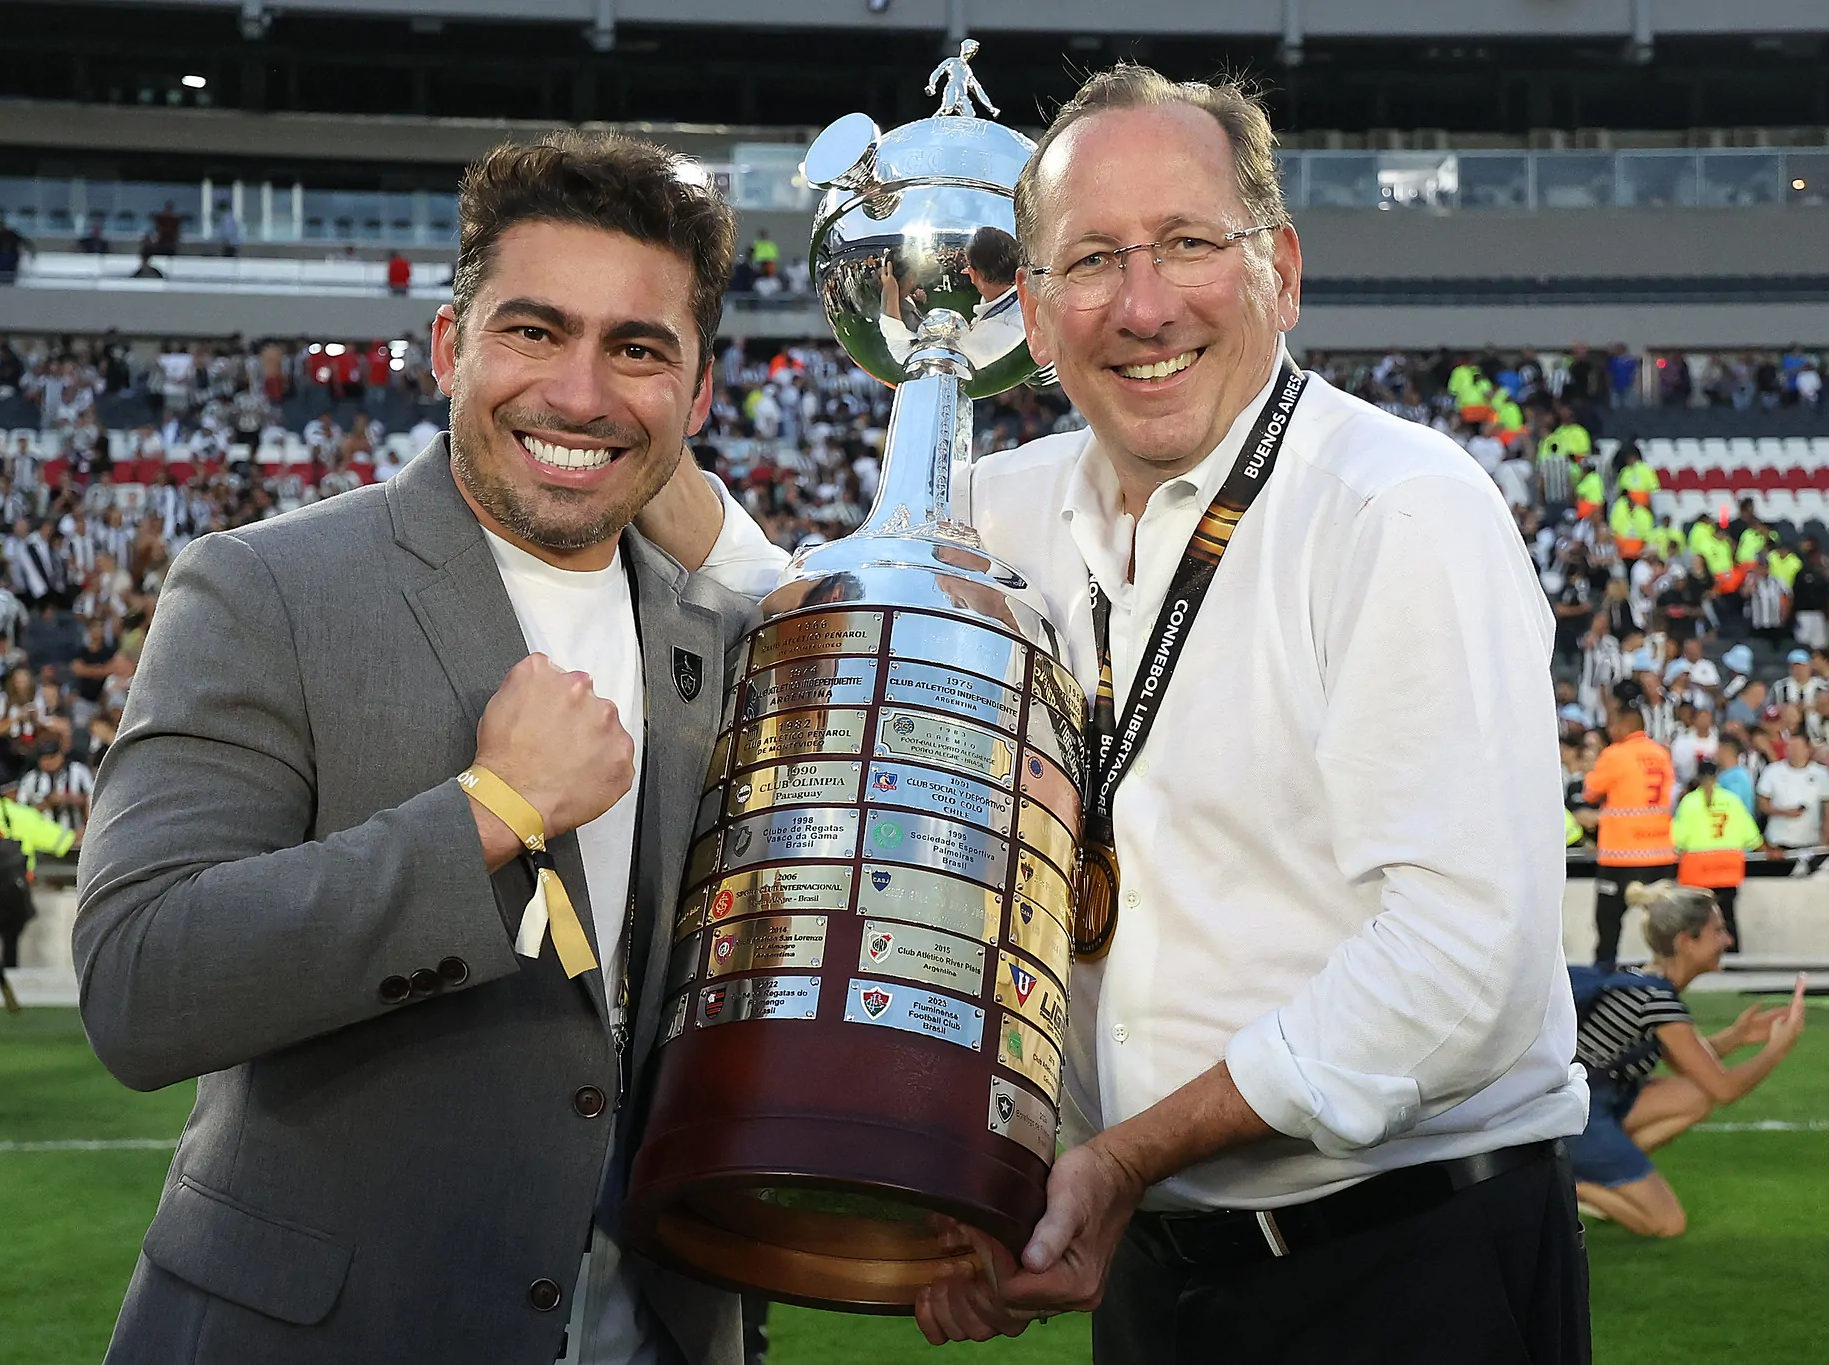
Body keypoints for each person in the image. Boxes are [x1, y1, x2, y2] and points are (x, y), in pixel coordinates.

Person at [664, 66, 1590, 1364]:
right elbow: (818, 612)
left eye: (1190, 244)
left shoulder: (1397, 510)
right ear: (1032, 319)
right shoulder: (1009, 511)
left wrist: (1119, 1158)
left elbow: (1459, 963)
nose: (1145, 306)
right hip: (1153, 1276)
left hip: (1407, 1269)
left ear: (1281, 269)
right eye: (1093, 259)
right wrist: (638, 441)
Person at [72, 131, 759, 1363]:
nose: (582, 394)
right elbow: (142, 981)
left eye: (638, 349)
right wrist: (489, 811)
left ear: (697, 394)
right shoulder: (264, 588)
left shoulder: (728, 636)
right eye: (533, 331)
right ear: (451, 347)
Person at [1568, 882, 1806, 1237]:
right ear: (1685, 942)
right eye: (1718, 931)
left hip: (1586, 1103)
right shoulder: (1658, 1001)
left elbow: (1687, 1063)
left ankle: (1598, 1177)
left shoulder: (1645, 982)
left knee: (1694, 1096)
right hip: (1583, 1119)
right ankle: (1570, 1187)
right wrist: (1778, 1049)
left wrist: (1738, 1037)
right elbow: (1724, 1088)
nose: (1727, 940)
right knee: (1667, 1224)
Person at [1583, 681, 1677, 969]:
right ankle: (1671, 970)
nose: (1609, 730)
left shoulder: (1616, 755)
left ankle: (1603, 976)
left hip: (1622, 853)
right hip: (1660, 851)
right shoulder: (1661, 754)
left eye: (1613, 724)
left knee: (1608, 923)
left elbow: (1590, 791)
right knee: (1665, 925)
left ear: (1624, 726)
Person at [1669, 762, 1761, 951]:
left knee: (1697, 920)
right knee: (1727, 917)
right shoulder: (1732, 800)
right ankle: (1733, 959)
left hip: (1698, 871)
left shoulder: (1690, 802)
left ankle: (1700, 957)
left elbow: (1678, 841)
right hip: (1728, 869)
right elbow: (1752, 838)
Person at [1755, 732, 1829, 855]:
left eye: (1797, 748)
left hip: (1810, 842)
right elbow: (1762, 804)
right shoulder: (1772, 770)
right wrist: (1783, 812)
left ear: (1807, 750)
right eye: (1790, 747)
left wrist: (1824, 844)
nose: (1793, 751)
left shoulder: (1822, 773)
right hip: (1777, 842)